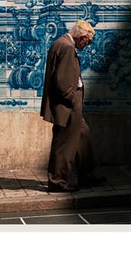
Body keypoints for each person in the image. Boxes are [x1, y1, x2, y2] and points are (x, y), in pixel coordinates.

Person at [40, 19, 103, 193]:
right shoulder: (67, 47)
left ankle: (87, 174)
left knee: (83, 135)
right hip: (68, 106)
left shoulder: (61, 43)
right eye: (87, 41)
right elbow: (63, 83)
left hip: (70, 105)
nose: (86, 45)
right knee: (64, 144)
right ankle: (58, 181)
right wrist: (72, 98)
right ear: (82, 36)